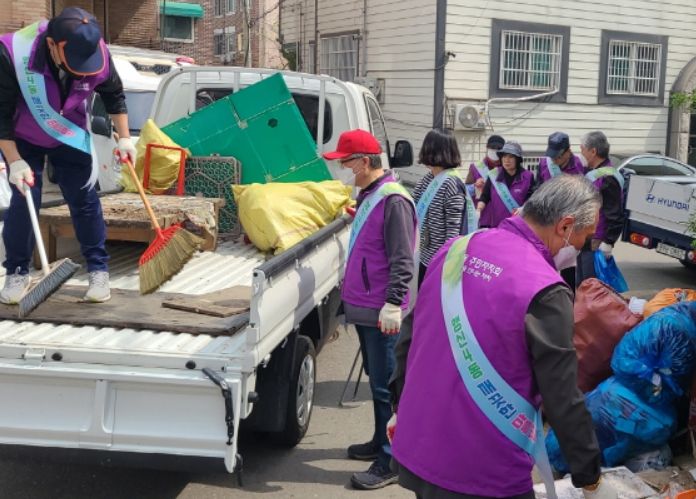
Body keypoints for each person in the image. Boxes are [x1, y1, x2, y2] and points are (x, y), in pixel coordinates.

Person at [389, 175, 618, 499]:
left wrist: (400, 405)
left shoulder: (456, 249)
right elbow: (561, 396)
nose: (584, 247)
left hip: (420, 444)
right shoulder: (546, 290)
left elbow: (409, 337)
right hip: (482, 469)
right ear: (565, 227)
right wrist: (589, 475)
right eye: (586, 236)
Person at [0, 7, 136, 304]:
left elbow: (113, 94)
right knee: (24, 200)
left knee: (84, 199)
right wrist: (14, 161)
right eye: (76, 62)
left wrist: (125, 138)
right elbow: (1, 115)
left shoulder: (96, 50)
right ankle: (17, 271)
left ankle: (98, 270)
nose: (84, 70)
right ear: (52, 44)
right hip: (24, 136)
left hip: (69, 133)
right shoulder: (13, 54)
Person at [322, 129, 417, 490]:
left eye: (346, 162)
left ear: (364, 162)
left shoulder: (393, 201)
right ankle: (381, 441)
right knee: (378, 383)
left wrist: (393, 303)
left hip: (382, 311)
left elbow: (402, 259)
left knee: (387, 387)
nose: (343, 169)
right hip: (367, 307)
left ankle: (392, 460)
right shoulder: (372, 195)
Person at [412, 129, 475, 287]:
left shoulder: (451, 183)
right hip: (423, 255)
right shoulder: (428, 178)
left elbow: (453, 232)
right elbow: (412, 205)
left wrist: (444, 265)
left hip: (439, 262)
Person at [536, 131, 586, 288]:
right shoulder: (544, 164)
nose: (554, 160)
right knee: (544, 261)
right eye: (552, 155)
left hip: (568, 224)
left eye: (558, 156)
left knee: (568, 265)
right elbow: (537, 188)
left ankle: (568, 295)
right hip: (547, 221)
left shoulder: (579, 166)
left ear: (568, 151)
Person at [576, 131, 625, 285]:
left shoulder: (608, 177)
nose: (581, 154)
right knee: (581, 286)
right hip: (584, 238)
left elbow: (615, 213)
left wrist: (608, 242)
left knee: (591, 287)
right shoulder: (590, 172)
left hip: (596, 242)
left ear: (593, 151)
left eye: (582, 149)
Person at [476, 141, 534, 228]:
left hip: (519, 226)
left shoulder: (528, 176)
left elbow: (532, 199)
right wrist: (478, 210)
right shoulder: (493, 175)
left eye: (511, 157)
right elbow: (485, 196)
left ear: (517, 159)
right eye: (504, 156)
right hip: (498, 226)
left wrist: (524, 208)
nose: (506, 160)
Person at [465, 134, 505, 203]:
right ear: (487, 148)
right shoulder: (475, 168)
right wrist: (475, 186)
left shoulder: (507, 168)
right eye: (492, 147)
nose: (495, 150)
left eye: (499, 148)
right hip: (481, 208)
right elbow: (465, 190)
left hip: (500, 207)